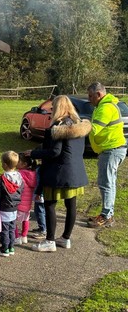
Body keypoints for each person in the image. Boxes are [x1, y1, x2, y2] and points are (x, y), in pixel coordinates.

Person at [27, 95, 91, 252]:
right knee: (71, 205)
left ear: (57, 108)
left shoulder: (58, 127)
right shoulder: (78, 124)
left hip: (58, 172)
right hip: (75, 171)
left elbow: (54, 152)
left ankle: (49, 241)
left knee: (49, 205)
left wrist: (33, 154)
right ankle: (65, 238)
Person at [86, 82, 127, 228]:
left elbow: (94, 129)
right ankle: (108, 213)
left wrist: (74, 129)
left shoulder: (105, 108)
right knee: (109, 182)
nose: (89, 99)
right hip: (111, 149)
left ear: (99, 94)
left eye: (91, 96)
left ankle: (107, 216)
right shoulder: (102, 106)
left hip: (111, 149)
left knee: (106, 183)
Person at [0, 151, 23, 257]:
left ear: (5, 165)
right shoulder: (19, 177)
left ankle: (5, 248)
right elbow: (21, 189)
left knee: (4, 229)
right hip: (14, 207)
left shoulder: (2, 179)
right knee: (12, 227)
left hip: (4, 207)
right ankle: (11, 247)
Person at [14, 152, 37, 245]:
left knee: (13, 220)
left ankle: (16, 237)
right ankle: (24, 236)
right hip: (27, 204)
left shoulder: (19, 174)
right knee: (25, 219)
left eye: (18, 161)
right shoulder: (33, 174)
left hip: (19, 202)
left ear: (24, 164)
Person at [31, 165, 47, 240]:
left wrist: (39, 193)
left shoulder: (41, 169)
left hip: (40, 193)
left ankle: (43, 230)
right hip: (43, 193)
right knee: (42, 211)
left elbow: (40, 182)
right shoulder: (44, 167)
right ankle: (42, 227)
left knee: (39, 211)